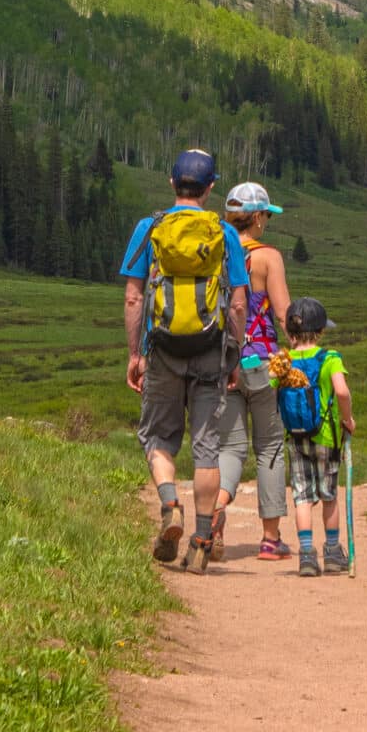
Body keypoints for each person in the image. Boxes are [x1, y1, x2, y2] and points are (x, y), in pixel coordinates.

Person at [120, 148, 249, 573]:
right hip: (211, 352)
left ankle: (170, 505)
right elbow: (238, 305)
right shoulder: (224, 233)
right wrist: (234, 355)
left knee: (157, 437)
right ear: (211, 188)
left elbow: (134, 296)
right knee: (207, 449)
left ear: (171, 182)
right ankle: (199, 540)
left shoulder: (149, 227)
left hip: (163, 351)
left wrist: (135, 354)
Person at [215, 181, 294, 562]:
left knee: (228, 448)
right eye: (266, 216)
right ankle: (269, 538)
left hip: (221, 362)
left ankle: (215, 512)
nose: (267, 222)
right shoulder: (268, 258)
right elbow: (283, 314)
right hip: (262, 362)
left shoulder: (215, 251)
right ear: (258, 217)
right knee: (269, 447)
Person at [278, 296, 354, 578]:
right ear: (320, 331)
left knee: (301, 497)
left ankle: (307, 556)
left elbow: (270, 386)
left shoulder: (283, 361)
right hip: (326, 437)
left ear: (290, 331)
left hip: (295, 438)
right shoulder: (330, 358)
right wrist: (347, 420)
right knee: (329, 495)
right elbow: (342, 392)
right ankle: (333, 552)